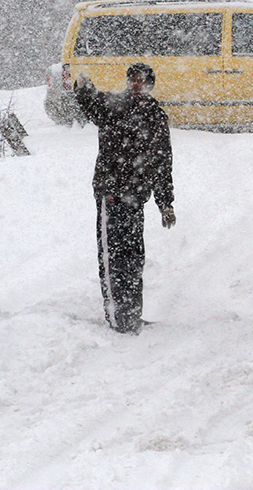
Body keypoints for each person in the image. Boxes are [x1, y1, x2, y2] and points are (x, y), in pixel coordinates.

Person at [73, 63, 176, 334]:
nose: (136, 84)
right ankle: (117, 318)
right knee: (111, 259)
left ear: (150, 84)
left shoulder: (154, 115)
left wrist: (165, 203)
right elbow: (91, 103)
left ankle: (132, 315)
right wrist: (83, 89)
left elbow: (162, 161)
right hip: (111, 195)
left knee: (133, 258)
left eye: (141, 80)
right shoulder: (113, 106)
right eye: (132, 79)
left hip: (135, 197)